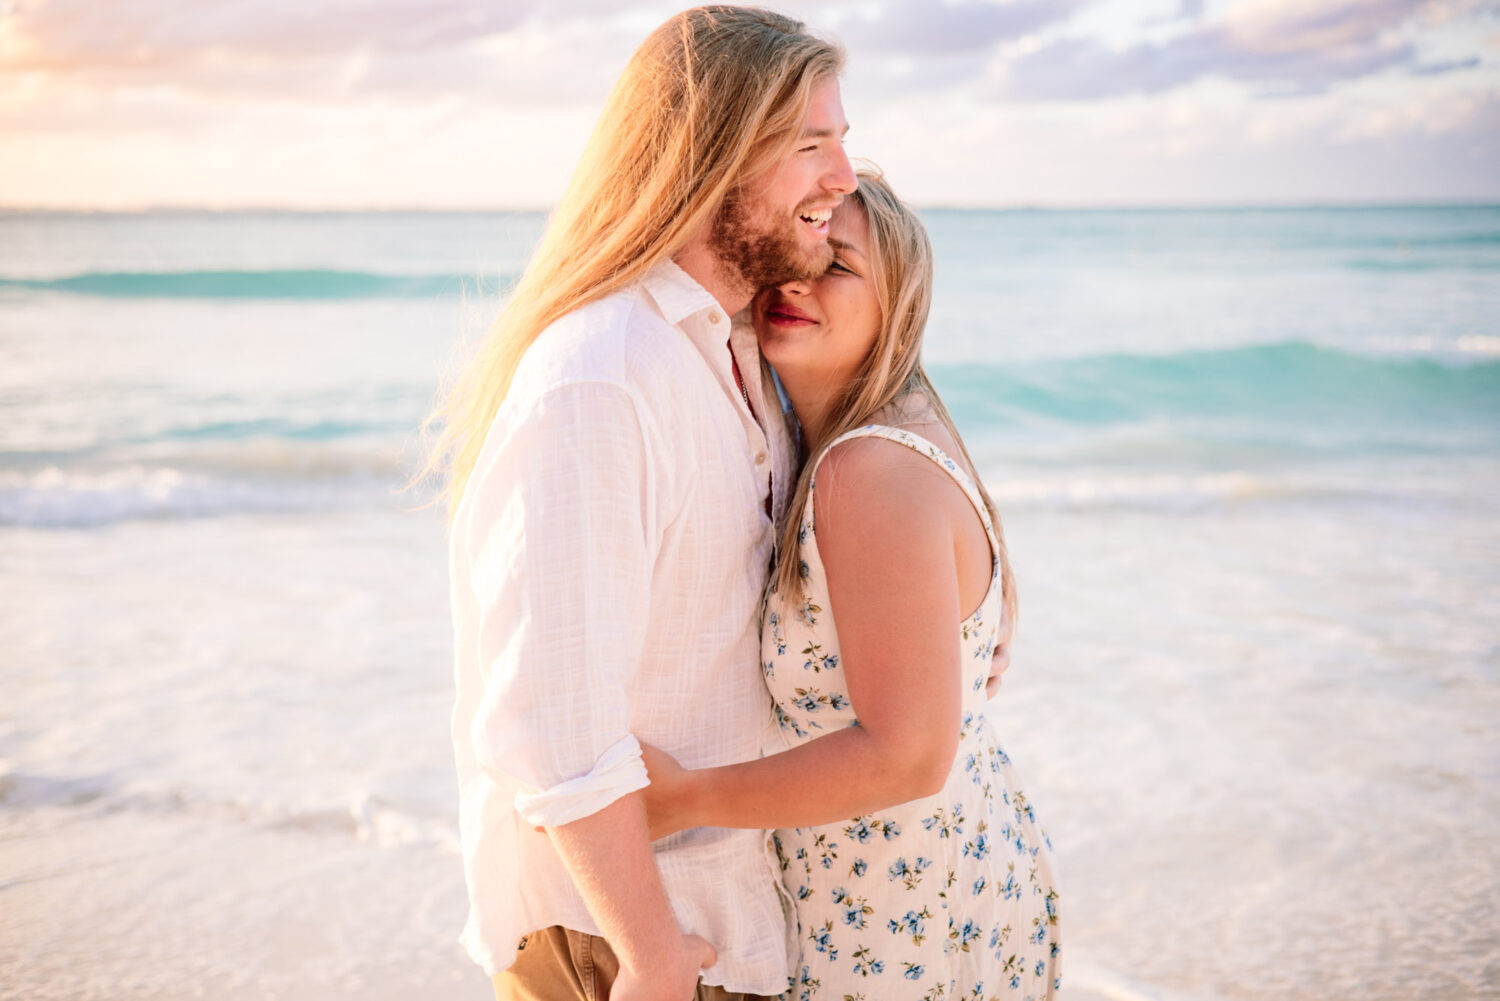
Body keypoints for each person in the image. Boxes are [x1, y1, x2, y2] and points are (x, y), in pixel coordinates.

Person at [432, 6, 859, 1000]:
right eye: (812, 144)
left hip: (727, 929)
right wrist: (652, 952)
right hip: (628, 947)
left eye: (842, 138)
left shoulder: (736, 344)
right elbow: (549, 716)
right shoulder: (602, 377)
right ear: (709, 160)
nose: (845, 175)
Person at [640, 168, 1062, 1000]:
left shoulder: (865, 467)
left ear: (896, 304)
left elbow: (909, 753)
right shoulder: (887, 430)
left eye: (838, 266)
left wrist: (684, 799)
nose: (798, 277)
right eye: (792, 247)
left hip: (897, 921)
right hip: (953, 883)